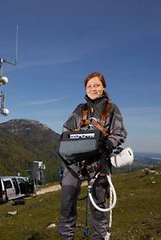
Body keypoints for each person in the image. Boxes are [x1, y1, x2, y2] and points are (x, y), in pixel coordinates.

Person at [59, 72, 127, 240]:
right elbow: (66, 130)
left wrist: (109, 143)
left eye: (97, 85)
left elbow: (119, 133)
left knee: (98, 205)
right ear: (85, 89)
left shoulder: (112, 109)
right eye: (90, 86)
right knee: (67, 203)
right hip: (74, 161)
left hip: (98, 161)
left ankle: (99, 237)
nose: (93, 88)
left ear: (103, 87)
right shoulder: (79, 109)